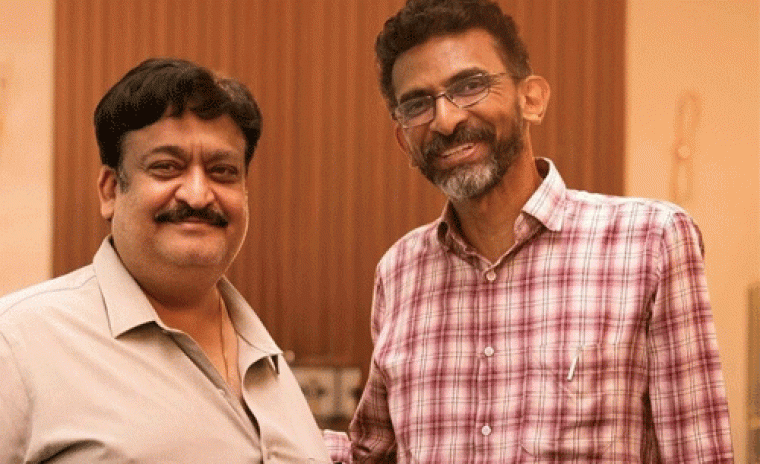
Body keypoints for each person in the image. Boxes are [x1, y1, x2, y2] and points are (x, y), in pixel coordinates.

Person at [324, 0, 734, 462]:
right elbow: (372, 454)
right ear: (404, 141)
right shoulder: (399, 271)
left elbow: (698, 452)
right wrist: (263, 424)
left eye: (470, 86)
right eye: (418, 104)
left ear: (531, 99)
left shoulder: (651, 242)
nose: (446, 119)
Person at [0, 58, 331, 463]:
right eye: (166, 167)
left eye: (222, 171)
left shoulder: (267, 362)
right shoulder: (16, 344)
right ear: (110, 190)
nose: (198, 195)